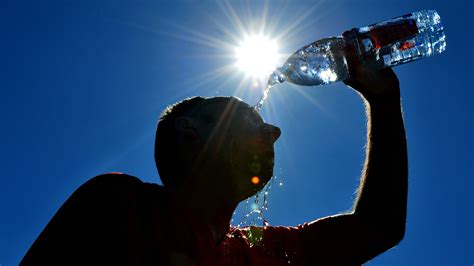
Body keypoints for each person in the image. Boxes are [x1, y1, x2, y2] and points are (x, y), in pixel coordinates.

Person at [21, 42, 408, 265]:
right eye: (247, 116)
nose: (274, 131)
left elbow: (379, 227)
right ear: (190, 130)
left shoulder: (260, 251)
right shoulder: (118, 204)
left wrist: (385, 102)